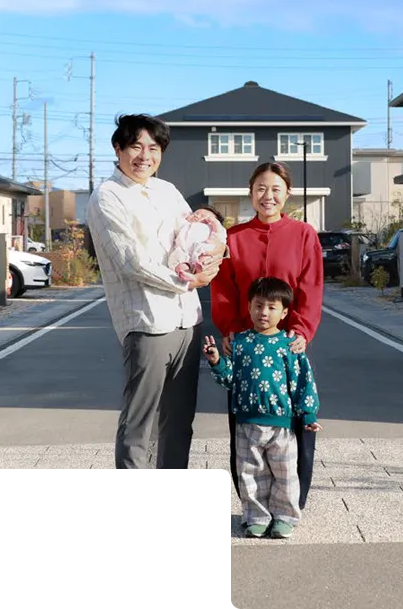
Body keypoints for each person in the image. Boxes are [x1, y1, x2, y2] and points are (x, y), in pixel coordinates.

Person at [85, 113, 227, 473]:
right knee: (140, 424)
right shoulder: (107, 196)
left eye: (153, 147)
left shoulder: (167, 191)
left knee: (180, 421)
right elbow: (131, 261)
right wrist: (188, 281)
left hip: (187, 319)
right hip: (147, 320)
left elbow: (193, 238)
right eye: (135, 146)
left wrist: (212, 258)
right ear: (118, 148)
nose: (145, 155)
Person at [209, 162, 324, 508]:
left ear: (288, 193)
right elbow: (223, 289)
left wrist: (301, 330)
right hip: (245, 347)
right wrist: (230, 329)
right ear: (250, 192)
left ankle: (290, 505)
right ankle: (253, 506)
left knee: (293, 429)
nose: (268, 196)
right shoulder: (234, 237)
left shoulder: (304, 235)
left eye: (276, 189)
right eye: (261, 188)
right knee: (245, 433)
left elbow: (311, 287)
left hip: (287, 345)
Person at [202, 276, 320, 539]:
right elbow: (229, 379)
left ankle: (285, 517)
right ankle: (255, 516)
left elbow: (303, 381)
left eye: (271, 307)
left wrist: (308, 414)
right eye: (258, 306)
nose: (263, 313)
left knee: (285, 473)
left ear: (285, 311)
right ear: (248, 307)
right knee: (250, 474)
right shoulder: (241, 343)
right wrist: (217, 361)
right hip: (246, 421)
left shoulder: (290, 345)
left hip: (282, 424)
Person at [167, 205, 228, 284]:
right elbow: (176, 224)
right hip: (182, 249)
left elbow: (220, 236)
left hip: (201, 246)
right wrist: (184, 217)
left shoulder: (210, 228)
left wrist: (215, 222)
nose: (197, 216)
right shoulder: (185, 224)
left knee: (206, 254)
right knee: (177, 259)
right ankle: (185, 274)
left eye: (203, 216)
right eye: (195, 213)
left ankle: (200, 268)